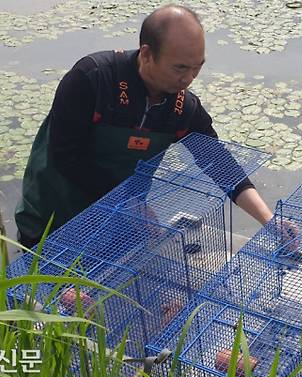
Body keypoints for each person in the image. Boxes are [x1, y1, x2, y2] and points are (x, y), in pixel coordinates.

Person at [15, 5, 283, 249]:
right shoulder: (92, 79)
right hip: (54, 218)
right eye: (179, 68)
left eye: (197, 68)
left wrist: (269, 221)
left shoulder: (183, 108)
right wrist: (129, 204)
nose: (188, 79)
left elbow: (218, 162)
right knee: (59, 294)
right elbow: (66, 156)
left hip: (120, 221)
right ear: (146, 54)